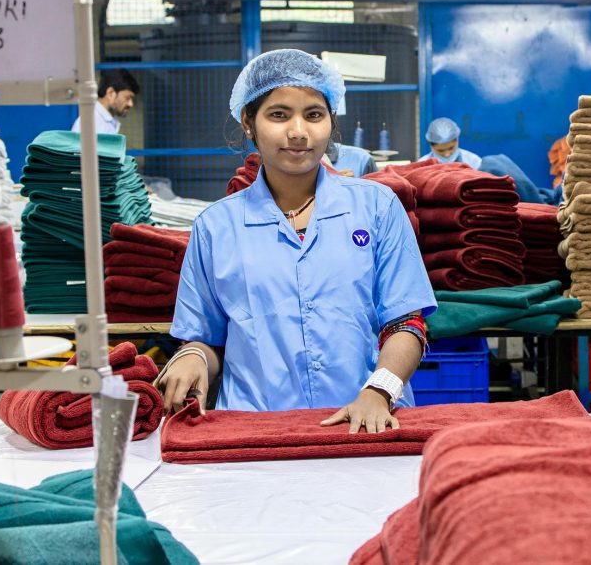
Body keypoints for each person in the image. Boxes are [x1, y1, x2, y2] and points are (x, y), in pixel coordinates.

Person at [159, 49, 436, 432]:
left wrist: (380, 390)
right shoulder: (215, 227)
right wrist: (192, 357)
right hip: (254, 427)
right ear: (247, 122)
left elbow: (408, 323)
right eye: (278, 114)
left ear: (330, 121)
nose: (298, 131)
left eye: (313, 114)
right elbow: (206, 338)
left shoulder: (377, 208)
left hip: (365, 422)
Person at [70, 68, 140, 134]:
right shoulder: (90, 122)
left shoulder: (107, 120)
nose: (131, 104)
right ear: (110, 93)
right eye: (127, 98)